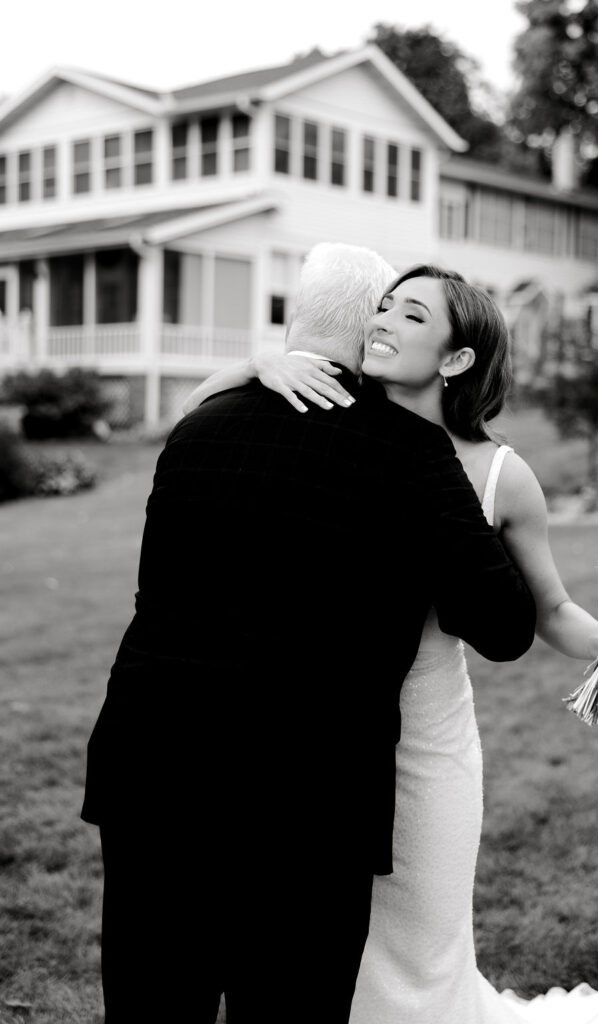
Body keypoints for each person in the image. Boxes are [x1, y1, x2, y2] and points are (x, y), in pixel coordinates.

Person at [184, 260, 598, 1023]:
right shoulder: (327, 417)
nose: (380, 322)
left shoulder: (501, 475)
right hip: (317, 740)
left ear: (455, 359)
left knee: (416, 945)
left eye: (411, 316)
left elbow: (547, 611)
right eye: (383, 307)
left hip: (426, 743)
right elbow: (206, 429)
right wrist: (257, 363)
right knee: (315, 947)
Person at [81, 244, 538, 1024]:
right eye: (389, 308)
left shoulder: (200, 423)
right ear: (368, 332)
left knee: (151, 1002)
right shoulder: (411, 453)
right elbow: (500, 630)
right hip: (305, 797)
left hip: (151, 763)